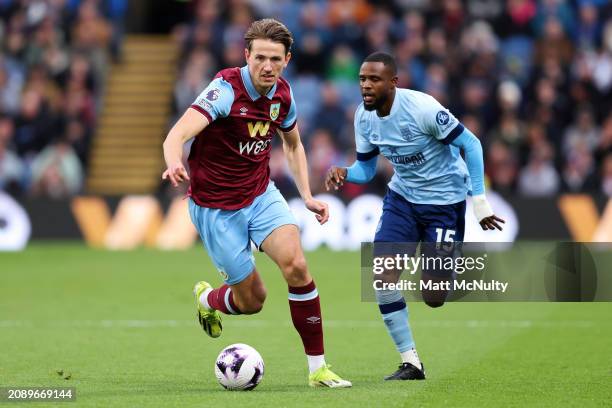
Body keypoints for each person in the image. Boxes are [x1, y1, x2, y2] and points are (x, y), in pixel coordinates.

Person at [162, 18, 351, 388]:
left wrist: (308, 195)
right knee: (253, 301)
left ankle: (318, 370)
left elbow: (293, 144)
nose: (267, 66)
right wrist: (173, 161)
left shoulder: (283, 94)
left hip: (261, 194)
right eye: (260, 57)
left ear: (287, 60)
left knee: (297, 265)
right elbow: (177, 134)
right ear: (246, 55)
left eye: (275, 59)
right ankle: (209, 300)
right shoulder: (225, 91)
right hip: (216, 208)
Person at [325, 52, 505, 381]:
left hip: (445, 205)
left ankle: (442, 265)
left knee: (433, 296)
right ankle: (411, 362)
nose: (365, 85)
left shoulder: (423, 109)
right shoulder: (362, 118)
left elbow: (472, 144)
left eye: (374, 79)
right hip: (402, 200)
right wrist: (344, 173)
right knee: (382, 276)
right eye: (362, 79)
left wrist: (478, 200)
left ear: (393, 83)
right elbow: (366, 169)